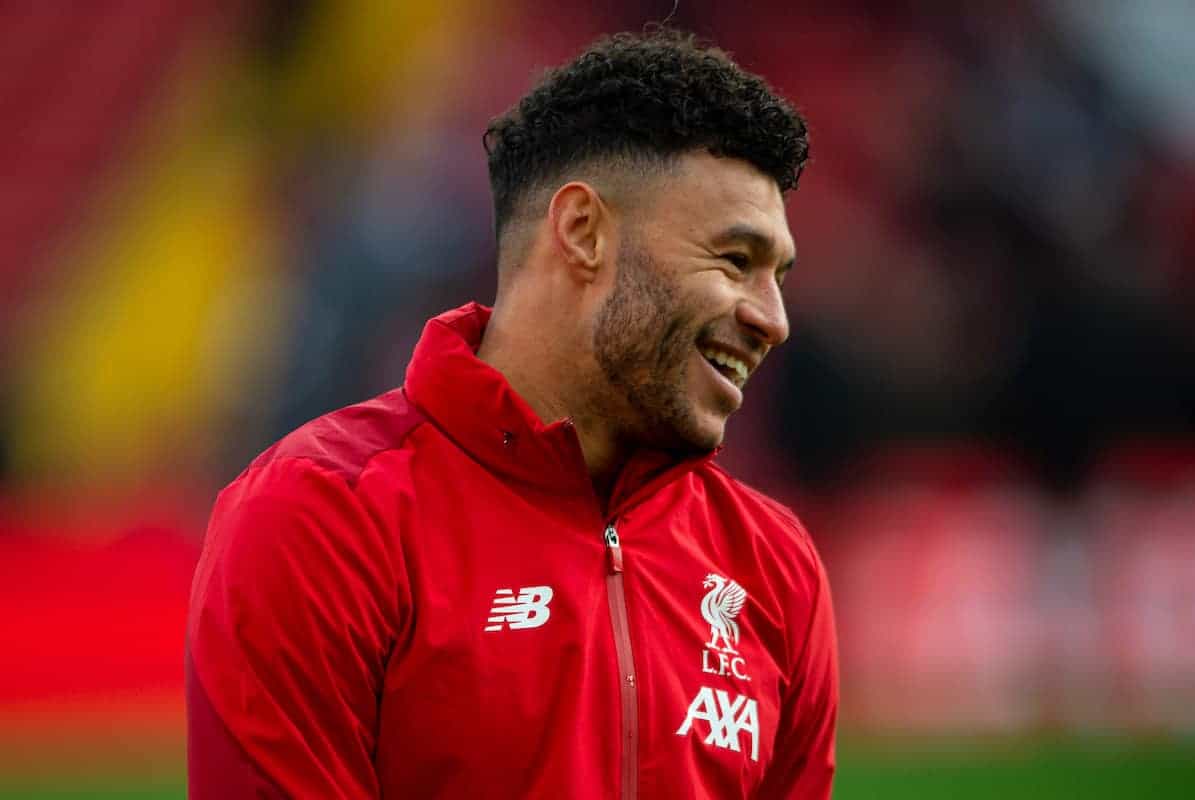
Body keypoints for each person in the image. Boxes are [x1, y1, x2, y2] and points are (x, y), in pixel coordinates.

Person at [186, 28, 837, 799]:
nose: (774, 318)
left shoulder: (774, 568)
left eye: (779, 276)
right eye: (735, 261)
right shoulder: (320, 517)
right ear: (583, 233)